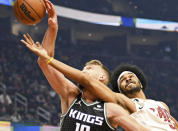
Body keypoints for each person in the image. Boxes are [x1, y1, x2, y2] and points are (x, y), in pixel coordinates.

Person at [20, 1, 148, 131]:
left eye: (89, 69)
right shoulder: (71, 95)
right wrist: (53, 27)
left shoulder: (111, 109)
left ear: (101, 77)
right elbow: (44, 63)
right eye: (83, 69)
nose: (83, 71)